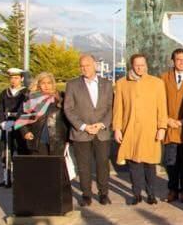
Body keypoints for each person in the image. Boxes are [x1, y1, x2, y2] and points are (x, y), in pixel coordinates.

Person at [113, 54, 168, 205]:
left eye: (142, 65)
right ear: (132, 65)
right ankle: (136, 194)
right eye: (137, 65)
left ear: (146, 65)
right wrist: (117, 128)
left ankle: (151, 194)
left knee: (150, 164)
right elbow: (118, 109)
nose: (140, 68)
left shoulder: (156, 83)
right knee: (134, 164)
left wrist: (162, 127)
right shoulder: (122, 83)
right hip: (130, 129)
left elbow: (162, 107)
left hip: (150, 130)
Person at [64, 54, 114, 206]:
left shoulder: (106, 84)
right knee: (83, 165)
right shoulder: (72, 85)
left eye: (88, 65)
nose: (84, 68)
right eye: (82, 66)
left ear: (95, 66)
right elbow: (69, 109)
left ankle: (103, 193)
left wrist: (102, 124)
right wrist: (84, 126)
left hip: (102, 132)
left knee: (102, 164)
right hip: (81, 133)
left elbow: (111, 107)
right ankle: (86, 194)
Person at [160, 48, 183, 203]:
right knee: (170, 161)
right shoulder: (163, 78)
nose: (181, 62)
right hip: (169, 126)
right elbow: (158, 102)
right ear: (173, 61)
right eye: (178, 59)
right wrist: (166, 119)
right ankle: (172, 189)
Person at [15, 72, 68, 157]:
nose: (46, 86)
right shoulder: (33, 98)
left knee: (55, 167)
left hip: (57, 139)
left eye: (49, 83)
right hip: (37, 138)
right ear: (39, 84)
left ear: (53, 84)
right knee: (40, 167)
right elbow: (20, 116)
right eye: (43, 83)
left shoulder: (61, 97)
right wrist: (25, 132)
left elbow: (69, 116)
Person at [0, 67, 28, 187]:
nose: (13, 81)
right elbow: (0, 109)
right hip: (7, 125)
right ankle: (6, 178)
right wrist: (2, 121)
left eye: (16, 78)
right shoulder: (5, 93)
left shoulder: (25, 93)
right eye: (11, 78)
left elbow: (26, 110)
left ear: (21, 79)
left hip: (20, 126)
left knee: (21, 150)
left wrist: (18, 122)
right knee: (6, 152)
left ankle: (21, 179)